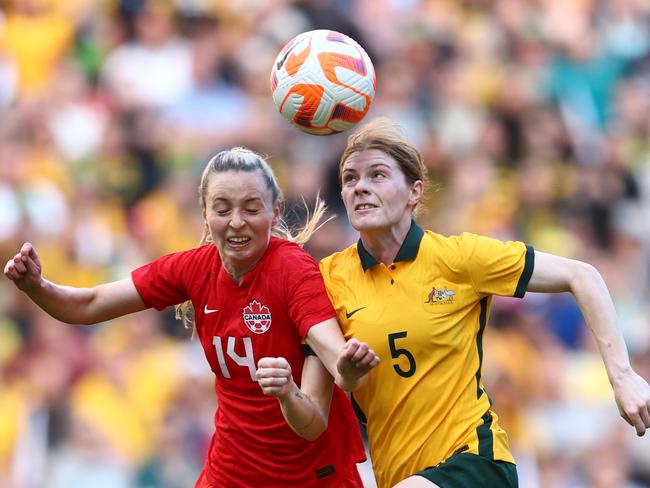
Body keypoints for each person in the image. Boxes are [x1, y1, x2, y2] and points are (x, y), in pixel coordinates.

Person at [4, 147, 379, 487]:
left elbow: (320, 401)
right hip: (232, 472)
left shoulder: (293, 270)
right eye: (222, 208)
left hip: (312, 477)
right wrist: (37, 286)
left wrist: (341, 369)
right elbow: (88, 305)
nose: (236, 222)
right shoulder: (194, 268)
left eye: (251, 208)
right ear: (204, 212)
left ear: (275, 211)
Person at [318, 118, 650, 488]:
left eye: (377, 175)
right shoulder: (329, 278)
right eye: (349, 179)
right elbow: (333, 380)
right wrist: (340, 374)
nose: (360, 187)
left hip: (476, 462)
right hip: (397, 472)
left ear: (414, 192)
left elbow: (582, 276)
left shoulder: (459, 258)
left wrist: (623, 377)